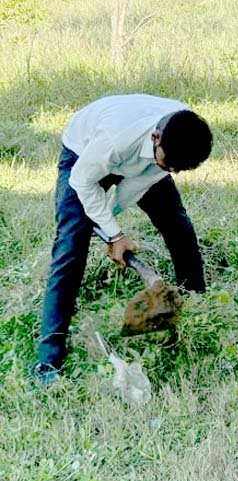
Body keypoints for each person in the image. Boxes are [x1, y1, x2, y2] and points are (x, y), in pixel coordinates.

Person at [36, 94, 212, 384]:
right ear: (156, 138)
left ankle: (196, 302)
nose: (174, 172)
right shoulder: (116, 140)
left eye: (180, 169)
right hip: (84, 155)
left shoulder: (181, 135)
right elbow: (82, 182)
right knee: (70, 248)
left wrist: (108, 229)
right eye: (171, 165)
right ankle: (48, 360)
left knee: (178, 226)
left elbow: (135, 187)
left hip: (141, 158)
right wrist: (112, 232)